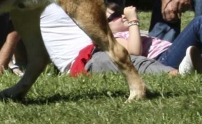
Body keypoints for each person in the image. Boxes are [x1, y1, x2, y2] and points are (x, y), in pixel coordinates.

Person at [40, 4, 177, 76]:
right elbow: (134, 54)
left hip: (97, 49)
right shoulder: (36, 3)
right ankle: (172, 72)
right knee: (123, 59)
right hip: (84, 60)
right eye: (117, 15)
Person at [107, 4, 202, 74]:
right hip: (162, 60)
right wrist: (133, 20)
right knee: (200, 22)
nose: (122, 16)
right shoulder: (115, 38)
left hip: (168, 53)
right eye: (115, 16)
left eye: (120, 12)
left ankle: (192, 65)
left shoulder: (129, 32)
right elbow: (134, 52)